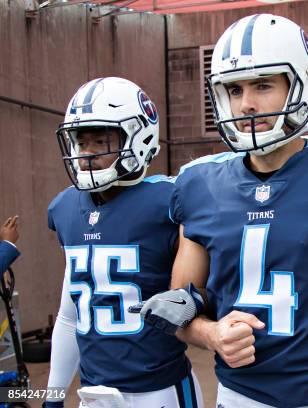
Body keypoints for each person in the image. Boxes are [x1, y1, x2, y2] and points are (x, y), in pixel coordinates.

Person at [136, 14, 308, 408]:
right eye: (234, 89)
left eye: (263, 85)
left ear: (303, 84)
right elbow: (182, 304)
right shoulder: (199, 184)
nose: (246, 103)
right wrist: (211, 334)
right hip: (236, 397)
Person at [44, 77, 203, 408]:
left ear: (139, 136)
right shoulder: (65, 208)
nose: (86, 154)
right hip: (95, 393)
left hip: (160, 390)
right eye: (80, 141)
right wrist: (54, 394)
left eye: (100, 141)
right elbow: (70, 314)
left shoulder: (169, 200)